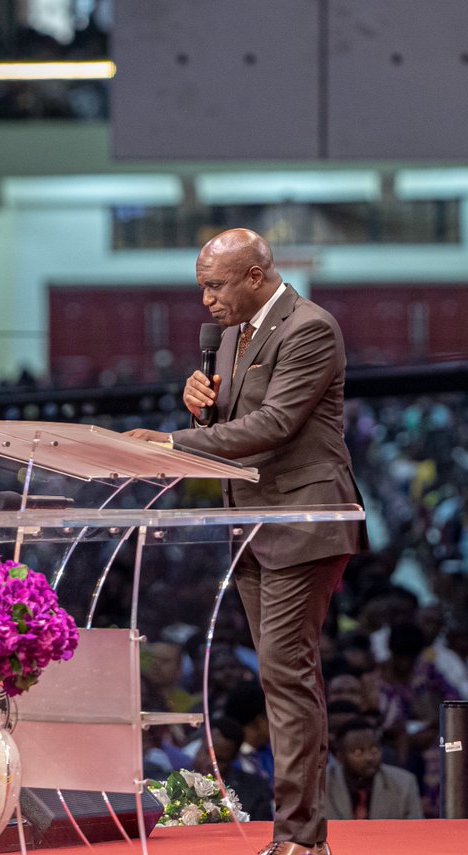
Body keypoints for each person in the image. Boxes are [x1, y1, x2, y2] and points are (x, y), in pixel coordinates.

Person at [127, 228, 367, 855]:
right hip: (253, 523)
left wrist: (174, 444)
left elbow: (276, 425)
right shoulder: (232, 336)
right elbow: (233, 425)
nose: (205, 300)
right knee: (283, 680)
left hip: (303, 522)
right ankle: (300, 836)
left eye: (215, 285)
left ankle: (300, 840)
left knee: (287, 679)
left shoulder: (310, 327)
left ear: (255, 276)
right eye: (202, 287)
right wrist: (199, 406)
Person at [324, 719, 422, 820]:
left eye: (374, 749)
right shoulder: (321, 784)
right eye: (358, 752)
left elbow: (417, 829)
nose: (369, 757)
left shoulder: (404, 783)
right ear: (339, 756)